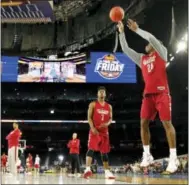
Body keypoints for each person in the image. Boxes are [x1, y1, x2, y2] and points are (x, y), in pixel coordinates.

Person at [117, 19, 179, 173]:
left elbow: (151, 38)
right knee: (143, 123)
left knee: (166, 123)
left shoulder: (162, 53)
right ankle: (147, 155)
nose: (146, 44)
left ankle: (173, 158)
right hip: (148, 96)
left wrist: (137, 30)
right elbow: (125, 49)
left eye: (150, 43)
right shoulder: (142, 59)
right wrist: (122, 33)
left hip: (162, 93)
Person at [83, 86, 115, 179]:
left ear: (105, 94)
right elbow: (89, 117)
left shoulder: (109, 106)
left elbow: (110, 119)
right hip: (95, 130)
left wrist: (107, 124)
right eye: (100, 92)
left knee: (104, 152)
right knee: (91, 149)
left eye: (103, 92)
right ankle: (87, 169)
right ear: (97, 94)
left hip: (105, 132)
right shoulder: (92, 104)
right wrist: (92, 127)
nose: (101, 93)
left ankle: (107, 172)